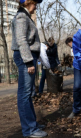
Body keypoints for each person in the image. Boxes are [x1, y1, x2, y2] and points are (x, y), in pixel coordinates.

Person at [11, 0, 47, 137]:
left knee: (27, 95)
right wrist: (28, 62)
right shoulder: (21, 17)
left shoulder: (25, 16)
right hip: (25, 57)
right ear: (28, 2)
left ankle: (33, 124)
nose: (37, 5)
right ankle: (30, 130)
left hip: (27, 56)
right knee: (24, 95)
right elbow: (21, 40)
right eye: (35, 2)